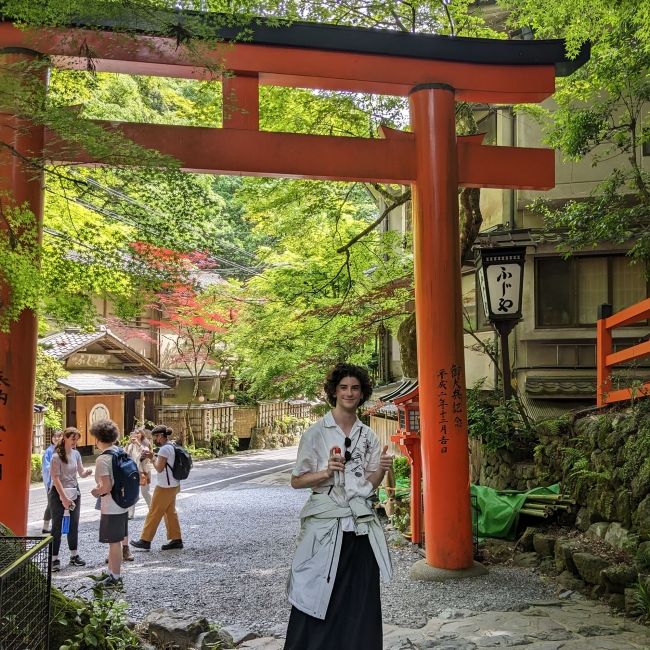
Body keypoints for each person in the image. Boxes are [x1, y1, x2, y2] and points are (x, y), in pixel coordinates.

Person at [284, 363, 393, 650]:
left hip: (360, 528)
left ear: (362, 393)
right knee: (317, 592)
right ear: (334, 391)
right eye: (343, 387)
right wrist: (325, 472)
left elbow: (369, 486)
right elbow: (297, 481)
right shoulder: (316, 433)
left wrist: (381, 469)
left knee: (361, 598)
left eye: (355, 388)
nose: (349, 393)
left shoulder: (368, 436)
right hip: (326, 527)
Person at [90, 419, 132, 588]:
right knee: (116, 541)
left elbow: (106, 486)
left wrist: (96, 491)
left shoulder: (103, 459)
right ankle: (110, 573)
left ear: (98, 438)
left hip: (111, 505)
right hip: (123, 503)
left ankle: (115, 577)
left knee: (114, 543)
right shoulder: (120, 452)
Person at [130, 425, 184, 551]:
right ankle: (176, 539)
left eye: (155, 437)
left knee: (154, 511)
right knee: (170, 512)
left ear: (160, 436)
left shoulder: (165, 449)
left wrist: (151, 457)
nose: (155, 440)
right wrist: (154, 455)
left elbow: (159, 468)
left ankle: (145, 540)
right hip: (174, 484)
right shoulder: (172, 446)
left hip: (165, 486)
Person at [49, 427, 92, 572]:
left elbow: (80, 471)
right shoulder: (56, 457)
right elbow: (55, 478)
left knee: (74, 523)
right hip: (58, 492)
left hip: (74, 491)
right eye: (73, 438)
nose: (75, 441)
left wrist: (87, 473)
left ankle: (74, 555)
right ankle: (54, 558)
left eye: (77, 438)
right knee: (57, 526)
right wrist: (63, 497)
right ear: (65, 438)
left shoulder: (76, 454)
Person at [125, 428, 153, 517]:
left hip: (144, 471)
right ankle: (130, 514)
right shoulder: (131, 446)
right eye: (134, 433)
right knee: (132, 492)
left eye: (138, 433)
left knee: (145, 492)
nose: (136, 435)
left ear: (142, 434)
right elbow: (124, 454)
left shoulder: (145, 443)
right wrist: (129, 443)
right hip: (133, 472)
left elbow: (146, 452)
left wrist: (137, 443)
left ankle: (153, 510)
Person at [41, 430, 63, 533]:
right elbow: (46, 468)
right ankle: (47, 527)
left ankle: (54, 526)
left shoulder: (63, 450)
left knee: (56, 503)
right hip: (51, 482)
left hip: (61, 481)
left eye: (58, 436)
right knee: (51, 504)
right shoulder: (49, 451)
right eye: (54, 436)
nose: (56, 438)